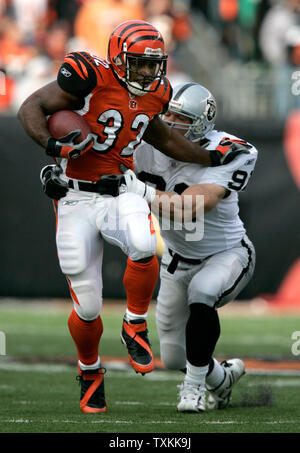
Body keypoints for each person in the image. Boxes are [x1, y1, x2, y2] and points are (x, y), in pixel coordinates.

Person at [18, 20, 248, 414]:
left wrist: (208, 157)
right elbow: (31, 108)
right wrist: (53, 150)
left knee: (144, 243)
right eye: (139, 63)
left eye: (152, 64)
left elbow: (165, 138)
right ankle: (89, 371)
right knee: (87, 307)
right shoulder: (88, 76)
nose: (147, 72)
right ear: (119, 58)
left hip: (118, 191)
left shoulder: (157, 92)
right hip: (75, 198)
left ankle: (134, 323)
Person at [122, 82, 257, 412]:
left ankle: (193, 388)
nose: (168, 121)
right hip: (175, 260)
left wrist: (139, 191)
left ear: (200, 124)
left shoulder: (230, 151)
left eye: (178, 117)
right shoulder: (145, 144)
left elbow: (191, 206)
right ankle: (220, 380)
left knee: (203, 290)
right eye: (166, 113)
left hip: (226, 254)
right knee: (171, 356)